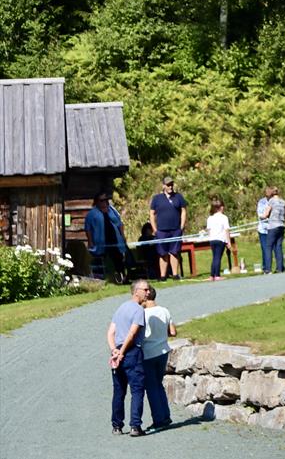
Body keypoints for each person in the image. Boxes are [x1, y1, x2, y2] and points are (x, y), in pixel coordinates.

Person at [107, 280, 150, 436]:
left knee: (119, 391)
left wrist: (114, 351)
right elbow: (132, 334)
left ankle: (116, 426)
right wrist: (123, 352)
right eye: (145, 289)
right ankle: (135, 426)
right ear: (136, 291)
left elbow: (110, 332)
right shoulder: (138, 310)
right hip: (131, 352)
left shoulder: (121, 308)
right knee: (137, 390)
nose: (148, 292)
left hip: (118, 351)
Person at [141, 286, 176, 430]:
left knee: (151, 387)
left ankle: (158, 419)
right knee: (158, 383)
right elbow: (172, 331)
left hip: (148, 352)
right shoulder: (164, 310)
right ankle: (165, 415)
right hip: (163, 351)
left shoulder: (143, 314)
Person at [85, 192, 129, 282]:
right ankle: (103, 278)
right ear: (97, 202)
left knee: (118, 259)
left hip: (115, 239)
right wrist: (90, 241)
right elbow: (88, 228)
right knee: (101, 260)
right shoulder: (92, 214)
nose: (104, 202)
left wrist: (123, 236)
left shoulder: (112, 210)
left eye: (106, 200)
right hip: (100, 241)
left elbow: (119, 223)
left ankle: (123, 277)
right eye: (102, 200)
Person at [148, 177, 186, 280]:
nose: (170, 186)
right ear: (163, 185)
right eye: (168, 185)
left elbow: (183, 211)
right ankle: (163, 275)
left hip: (175, 229)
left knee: (174, 252)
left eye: (171, 184)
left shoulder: (178, 197)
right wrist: (154, 229)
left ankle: (175, 274)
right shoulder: (157, 198)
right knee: (162, 253)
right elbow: (151, 214)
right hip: (161, 230)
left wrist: (181, 226)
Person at [260, 186, 285, 273]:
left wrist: (262, 217)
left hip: (273, 226)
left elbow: (266, 214)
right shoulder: (283, 202)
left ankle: (268, 269)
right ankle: (279, 268)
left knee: (268, 247)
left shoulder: (271, 201)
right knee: (278, 246)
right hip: (281, 225)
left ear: (272, 193)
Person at [205, 197, 232, 280]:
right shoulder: (224, 217)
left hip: (212, 239)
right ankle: (217, 275)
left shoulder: (210, 218)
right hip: (220, 239)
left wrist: (211, 237)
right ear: (221, 207)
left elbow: (209, 230)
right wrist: (228, 242)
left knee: (215, 257)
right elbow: (226, 230)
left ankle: (212, 275)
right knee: (218, 257)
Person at [256, 186, 273, 274]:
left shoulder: (274, 201)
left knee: (271, 248)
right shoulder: (261, 202)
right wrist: (266, 215)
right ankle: (265, 267)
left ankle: (270, 267)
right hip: (263, 228)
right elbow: (260, 214)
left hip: (272, 228)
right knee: (264, 248)